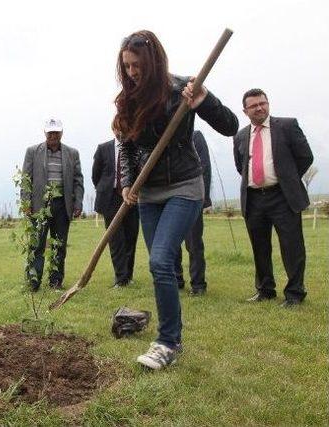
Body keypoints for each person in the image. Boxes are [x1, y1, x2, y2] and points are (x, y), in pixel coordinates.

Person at [115, 31, 238, 369]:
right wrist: (127, 183)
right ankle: (170, 334)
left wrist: (204, 100)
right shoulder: (128, 99)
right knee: (162, 266)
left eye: (137, 65)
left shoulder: (182, 89)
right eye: (126, 66)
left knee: (159, 261)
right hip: (149, 193)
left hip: (184, 185)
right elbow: (125, 146)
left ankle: (168, 342)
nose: (132, 72)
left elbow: (230, 126)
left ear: (153, 61)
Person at [233, 88, 313, 307]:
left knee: (292, 246)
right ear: (245, 110)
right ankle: (265, 290)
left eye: (263, 103)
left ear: (268, 103)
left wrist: (287, 177)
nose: (259, 108)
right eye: (254, 105)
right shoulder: (240, 136)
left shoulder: (287, 126)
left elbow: (305, 156)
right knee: (260, 246)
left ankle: (295, 293)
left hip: (283, 196)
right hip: (254, 198)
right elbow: (241, 166)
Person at [22, 118, 84, 291]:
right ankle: (33, 282)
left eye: (56, 132)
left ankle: (55, 282)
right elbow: (26, 180)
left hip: (62, 206)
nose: (53, 135)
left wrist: (77, 202)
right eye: (50, 132)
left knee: (59, 245)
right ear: (45, 133)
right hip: (39, 206)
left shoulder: (72, 153)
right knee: (37, 245)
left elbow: (78, 180)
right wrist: (26, 202)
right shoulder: (32, 152)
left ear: (61, 133)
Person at [91, 138, 139, 288]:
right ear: (114, 129)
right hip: (110, 198)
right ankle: (121, 278)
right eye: (118, 128)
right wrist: (105, 189)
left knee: (131, 236)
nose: (121, 132)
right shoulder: (103, 148)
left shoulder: (135, 146)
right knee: (115, 239)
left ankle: (128, 275)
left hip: (132, 196)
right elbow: (95, 175)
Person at [175, 130, 211, 296]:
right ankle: (176, 280)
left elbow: (205, 168)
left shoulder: (195, 136)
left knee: (193, 243)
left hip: (192, 198)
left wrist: (203, 197)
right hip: (168, 200)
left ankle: (198, 284)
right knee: (172, 244)